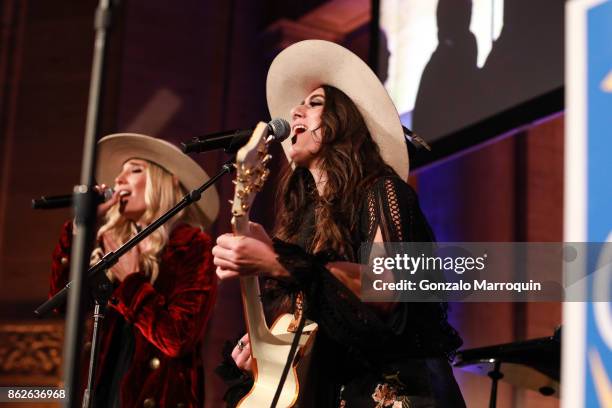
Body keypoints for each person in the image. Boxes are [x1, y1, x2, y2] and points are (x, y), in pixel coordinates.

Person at [213, 40, 465, 407]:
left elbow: (385, 291)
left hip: (398, 393)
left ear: (342, 123)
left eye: (314, 103)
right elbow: (317, 312)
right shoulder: (305, 220)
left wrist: (278, 262)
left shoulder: (383, 190)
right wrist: (262, 346)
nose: (296, 110)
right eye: (300, 103)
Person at [49, 133, 219, 408]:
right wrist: (81, 230)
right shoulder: (111, 243)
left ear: (165, 182)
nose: (118, 180)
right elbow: (63, 303)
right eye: (120, 172)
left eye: (135, 169)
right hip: (103, 389)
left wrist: (131, 282)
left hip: (156, 396)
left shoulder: (191, 246)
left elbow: (177, 339)